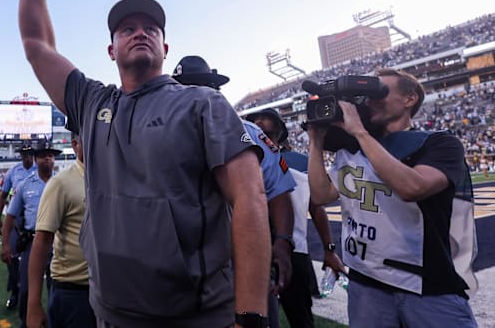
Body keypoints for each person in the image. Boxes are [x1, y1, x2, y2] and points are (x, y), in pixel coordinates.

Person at [17, 0, 271, 327]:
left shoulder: (202, 103)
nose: (140, 32)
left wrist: (251, 315)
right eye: (127, 29)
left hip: (195, 316)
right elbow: (37, 45)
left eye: (151, 29)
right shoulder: (93, 103)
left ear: (165, 48)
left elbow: (250, 199)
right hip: (111, 314)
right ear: (111, 50)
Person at [308, 68, 477, 327]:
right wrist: (316, 140)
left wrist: (360, 134)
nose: (370, 100)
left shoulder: (439, 143)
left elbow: (413, 188)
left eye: (380, 92)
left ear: (409, 99)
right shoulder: (350, 148)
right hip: (366, 281)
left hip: (426, 283)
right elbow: (320, 195)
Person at [173, 55, 295, 328]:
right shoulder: (162, 134)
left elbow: (278, 192)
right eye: (184, 87)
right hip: (185, 265)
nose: (193, 94)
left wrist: (283, 240)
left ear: (216, 91)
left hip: (245, 258)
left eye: (201, 86)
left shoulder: (251, 133)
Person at [246, 108, 345, 328]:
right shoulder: (243, 157)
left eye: (265, 118)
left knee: (300, 317)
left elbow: (317, 208)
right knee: (255, 315)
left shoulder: (301, 161)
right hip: (252, 248)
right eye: (255, 119)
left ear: (280, 129)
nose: (259, 122)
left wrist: (329, 249)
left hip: (294, 248)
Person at [27, 133, 95, 328]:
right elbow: (41, 242)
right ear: (75, 145)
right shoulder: (61, 183)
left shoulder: (111, 177)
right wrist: (33, 304)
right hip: (74, 290)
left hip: (108, 288)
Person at [1, 140, 60, 327]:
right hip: (32, 244)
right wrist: (5, 244)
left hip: (58, 244)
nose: (47, 159)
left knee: (55, 289)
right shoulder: (25, 185)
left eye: (50, 156)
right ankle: (26, 323)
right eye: (43, 156)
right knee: (26, 289)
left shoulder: (61, 183)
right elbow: (10, 216)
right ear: (36, 159)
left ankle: (52, 322)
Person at [0, 145, 38, 309]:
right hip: (15, 219)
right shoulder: (13, 172)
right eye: (23, 154)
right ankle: (15, 291)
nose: (26, 157)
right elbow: (3, 196)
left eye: (29, 154)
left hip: (35, 219)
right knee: (11, 257)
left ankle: (31, 296)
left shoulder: (39, 168)